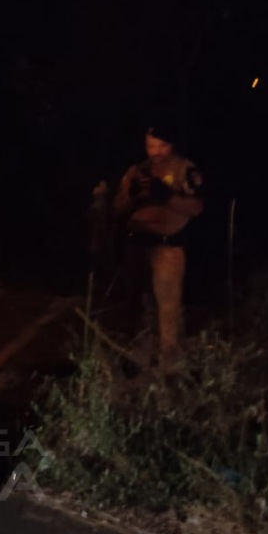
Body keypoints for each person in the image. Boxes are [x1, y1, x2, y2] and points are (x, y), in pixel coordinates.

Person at [113, 123, 204, 366]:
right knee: (135, 305)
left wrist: (167, 196)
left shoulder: (184, 169)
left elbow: (196, 208)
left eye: (161, 146)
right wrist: (128, 195)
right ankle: (135, 361)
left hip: (167, 247)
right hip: (137, 246)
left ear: (171, 145)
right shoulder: (137, 171)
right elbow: (118, 209)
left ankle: (168, 366)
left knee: (167, 310)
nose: (155, 152)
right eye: (150, 146)